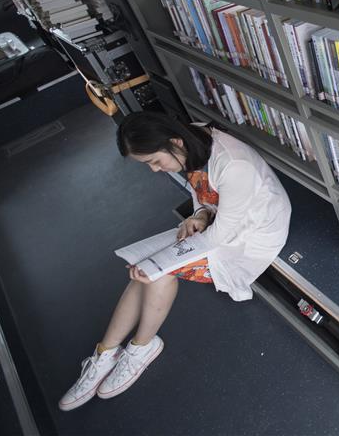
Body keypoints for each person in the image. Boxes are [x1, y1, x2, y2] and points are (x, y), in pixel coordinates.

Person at [58, 112, 291, 410]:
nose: (155, 170)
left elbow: (219, 238)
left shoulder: (234, 166)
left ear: (175, 142)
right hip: (224, 223)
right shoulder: (193, 142)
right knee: (146, 267)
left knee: (158, 273)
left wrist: (163, 261)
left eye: (154, 161)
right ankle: (105, 352)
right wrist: (199, 216)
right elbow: (205, 199)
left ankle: (142, 347)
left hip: (254, 235)